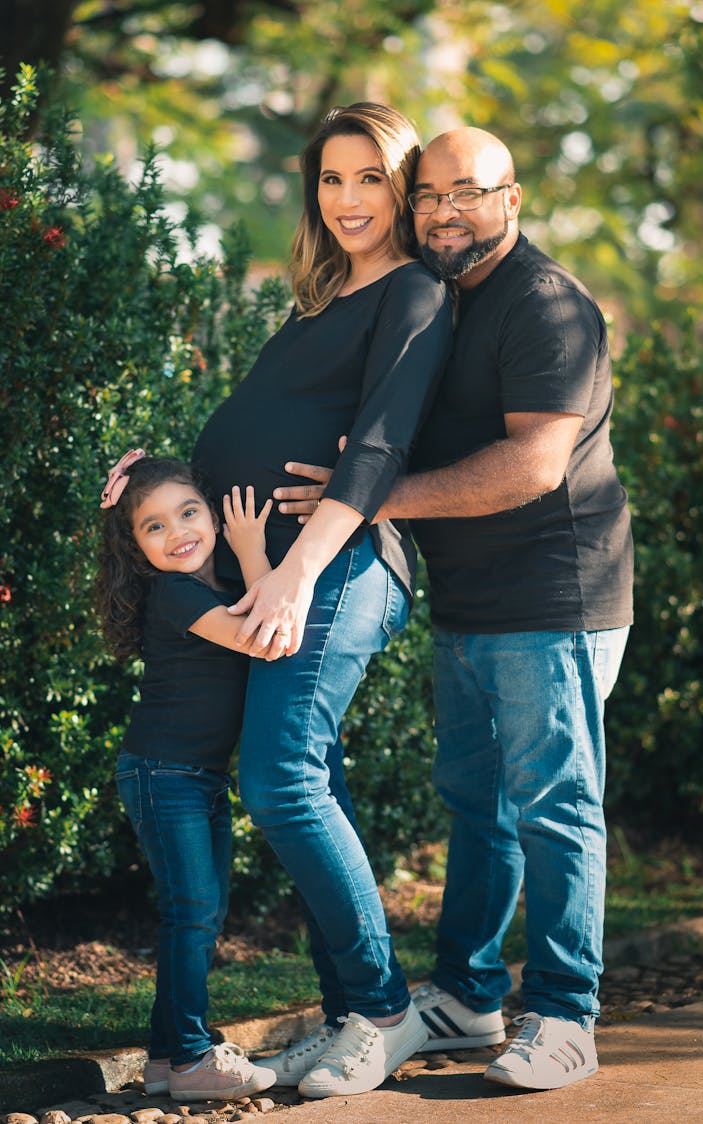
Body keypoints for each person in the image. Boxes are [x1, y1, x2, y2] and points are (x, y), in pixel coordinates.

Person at [274, 125, 634, 1093]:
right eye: (428, 194)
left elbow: (533, 464)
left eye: (468, 193)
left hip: (557, 595)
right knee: (480, 806)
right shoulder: (437, 300)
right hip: (468, 599)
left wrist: (365, 499)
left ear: (512, 199)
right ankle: (470, 993)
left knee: (554, 806)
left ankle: (563, 1013)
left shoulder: (544, 304)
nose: (444, 211)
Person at [191, 103, 453, 1098]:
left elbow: (381, 444)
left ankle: (384, 1011)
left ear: (401, 186)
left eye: (369, 179)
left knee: (281, 780)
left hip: (341, 565)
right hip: (277, 561)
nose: (348, 200)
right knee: (310, 786)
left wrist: (298, 570)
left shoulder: (414, 292)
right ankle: (353, 1012)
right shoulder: (323, 292)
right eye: (331, 180)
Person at [95, 449, 278, 1101]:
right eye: (154, 526)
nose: (178, 534)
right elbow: (268, 638)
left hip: (194, 776)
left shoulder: (205, 589)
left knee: (199, 912)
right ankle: (195, 1057)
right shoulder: (176, 595)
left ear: (208, 511)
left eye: (188, 512)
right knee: (193, 912)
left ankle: (166, 1059)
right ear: (136, 546)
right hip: (162, 773)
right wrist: (253, 547)